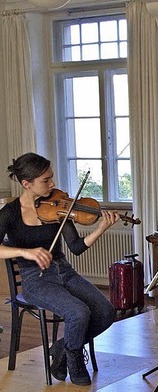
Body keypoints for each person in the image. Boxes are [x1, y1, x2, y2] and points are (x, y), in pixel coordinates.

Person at [0, 153, 119, 386]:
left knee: (106, 311)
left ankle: (61, 350)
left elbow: (76, 247)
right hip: (36, 279)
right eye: (46, 180)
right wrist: (25, 252)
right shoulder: (10, 214)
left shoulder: (57, 205)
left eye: (51, 178)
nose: (52, 184)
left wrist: (102, 227)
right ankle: (74, 361)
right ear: (27, 184)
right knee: (78, 312)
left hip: (64, 270)